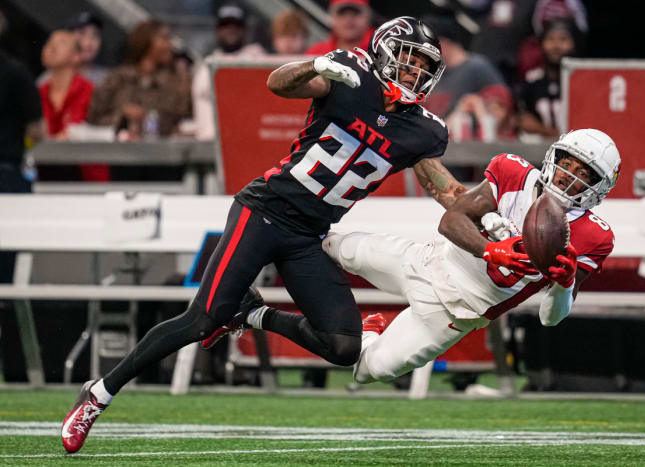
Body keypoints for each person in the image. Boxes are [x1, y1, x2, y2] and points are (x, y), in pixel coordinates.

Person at [61, 16, 468, 453]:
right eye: (410, 60)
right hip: (264, 210)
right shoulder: (350, 74)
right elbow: (279, 83)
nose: (415, 72)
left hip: (308, 233)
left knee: (345, 346)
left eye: (425, 66)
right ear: (386, 50)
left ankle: (253, 315)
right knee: (202, 319)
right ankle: (99, 393)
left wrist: (493, 219)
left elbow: (445, 189)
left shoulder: (424, 129)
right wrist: (316, 66)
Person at [321, 128, 621, 384]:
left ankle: (371, 329)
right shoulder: (513, 172)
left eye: (582, 173)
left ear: (598, 187)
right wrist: (490, 249)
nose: (568, 177)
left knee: (371, 371)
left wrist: (566, 282)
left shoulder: (594, 235)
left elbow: (550, 318)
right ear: (553, 158)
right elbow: (450, 221)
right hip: (428, 261)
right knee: (332, 246)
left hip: (456, 313)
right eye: (567, 163)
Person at [87, 19, 191, 140]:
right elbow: (93, 117)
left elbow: (182, 120)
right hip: (117, 151)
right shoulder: (119, 78)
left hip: (160, 152)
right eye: (164, 38)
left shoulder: (175, 81)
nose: (170, 45)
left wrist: (147, 118)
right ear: (146, 41)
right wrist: (123, 115)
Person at [0, 27, 43, 282]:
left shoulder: (16, 74)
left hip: (7, 177)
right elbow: (38, 131)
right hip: (7, 175)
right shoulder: (16, 73)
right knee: (5, 266)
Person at [192, 2, 266, 140]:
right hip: (208, 144)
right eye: (225, 25)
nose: (231, 30)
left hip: (246, 141)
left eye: (236, 26)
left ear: (244, 29)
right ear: (217, 30)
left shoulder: (257, 59)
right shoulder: (205, 65)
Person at [421, 15, 508, 120]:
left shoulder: (477, 67)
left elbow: (503, 107)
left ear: (442, 42)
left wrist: (477, 105)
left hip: (469, 134)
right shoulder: (433, 74)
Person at [517, 20, 577, 139]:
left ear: (573, 44)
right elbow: (524, 121)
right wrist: (549, 132)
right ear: (541, 44)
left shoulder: (580, 80)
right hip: (540, 148)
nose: (556, 46)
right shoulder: (532, 80)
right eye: (550, 39)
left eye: (563, 39)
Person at [39, 30, 93, 140]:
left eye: (61, 43)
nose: (52, 47)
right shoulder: (39, 92)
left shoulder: (89, 91)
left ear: (76, 56)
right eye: (49, 42)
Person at [305, 0, 373, 55]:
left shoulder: (379, 51)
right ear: (331, 18)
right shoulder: (315, 53)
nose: (349, 19)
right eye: (342, 13)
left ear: (368, 17)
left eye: (356, 13)